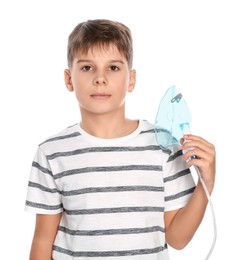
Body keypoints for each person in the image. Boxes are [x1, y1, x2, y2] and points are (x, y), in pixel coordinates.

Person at [25, 19, 216, 260]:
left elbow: (177, 239)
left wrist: (206, 183)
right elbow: (42, 241)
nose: (100, 78)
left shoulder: (163, 146)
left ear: (132, 79)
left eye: (113, 68)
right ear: (69, 79)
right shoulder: (52, 152)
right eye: (87, 68)